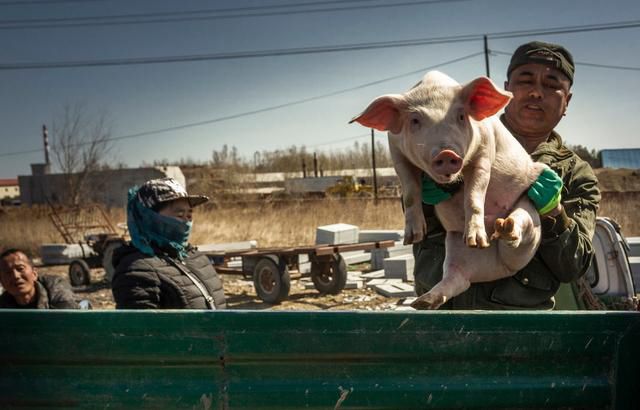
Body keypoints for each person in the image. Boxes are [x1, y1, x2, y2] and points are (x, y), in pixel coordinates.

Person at [413, 40, 601, 309]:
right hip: (442, 311)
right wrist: (432, 191)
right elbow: (419, 229)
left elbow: (574, 266)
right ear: (507, 90)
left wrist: (553, 213)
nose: (537, 93)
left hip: (520, 323)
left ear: (567, 100)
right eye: (526, 81)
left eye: (551, 84)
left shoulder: (576, 174)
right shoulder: (454, 140)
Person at [111, 177, 226, 309]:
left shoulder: (196, 258)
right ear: (149, 217)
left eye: (189, 214)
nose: (186, 221)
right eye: (179, 214)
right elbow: (141, 328)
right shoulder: (136, 271)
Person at [0, 248, 79, 309]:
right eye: (8, 273)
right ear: (1, 281)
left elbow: (67, 320)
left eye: (20, 269)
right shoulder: (3, 306)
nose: (15, 276)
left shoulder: (56, 290)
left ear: (34, 273)